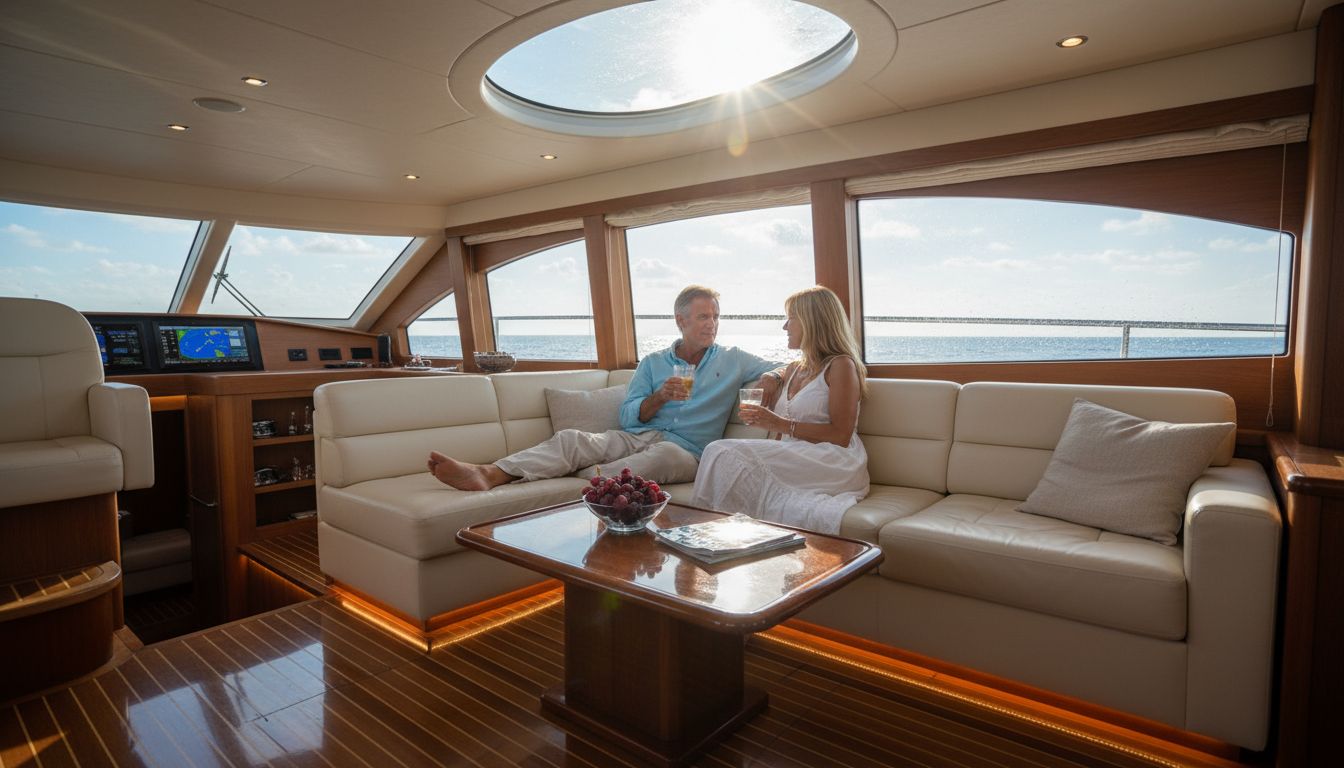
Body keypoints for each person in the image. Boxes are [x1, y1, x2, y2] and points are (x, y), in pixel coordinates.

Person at [428, 285, 782, 490]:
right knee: (574, 439)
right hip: (641, 435)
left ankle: (586, 481)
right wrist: (659, 397)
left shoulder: (734, 359)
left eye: (716, 316)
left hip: (688, 452)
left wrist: (773, 377)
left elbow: (793, 362)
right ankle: (489, 473)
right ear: (681, 320)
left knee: (664, 456)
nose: (712, 324)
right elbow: (628, 417)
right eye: (704, 316)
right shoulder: (653, 363)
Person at [690, 285, 868, 533]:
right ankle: (723, 532)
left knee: (720, 451)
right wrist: (772, 375)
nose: (785, 327)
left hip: (834, 460)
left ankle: (705, 532)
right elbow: (780, 425)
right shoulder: (795, 367)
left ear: (812, 322)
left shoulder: (841, 366)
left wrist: (777, 423)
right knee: (720, 454)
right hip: (795, 454)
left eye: (791, 319)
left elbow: (841, 435)